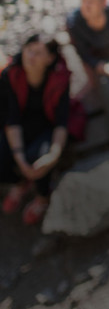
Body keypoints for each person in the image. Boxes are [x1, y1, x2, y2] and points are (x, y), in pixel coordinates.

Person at [1, 35, 70, 225]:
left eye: (38, 53)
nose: (31, 56)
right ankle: (20, 183)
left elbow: (61, 123)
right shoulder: (11, 75)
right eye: (29, 50)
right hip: (17, 127)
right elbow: (11, 118)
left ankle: (42, 197)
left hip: (47, 129)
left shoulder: (60, 80)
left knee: (39, 161)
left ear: (50, 58)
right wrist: (19, 157)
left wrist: (54, 153)